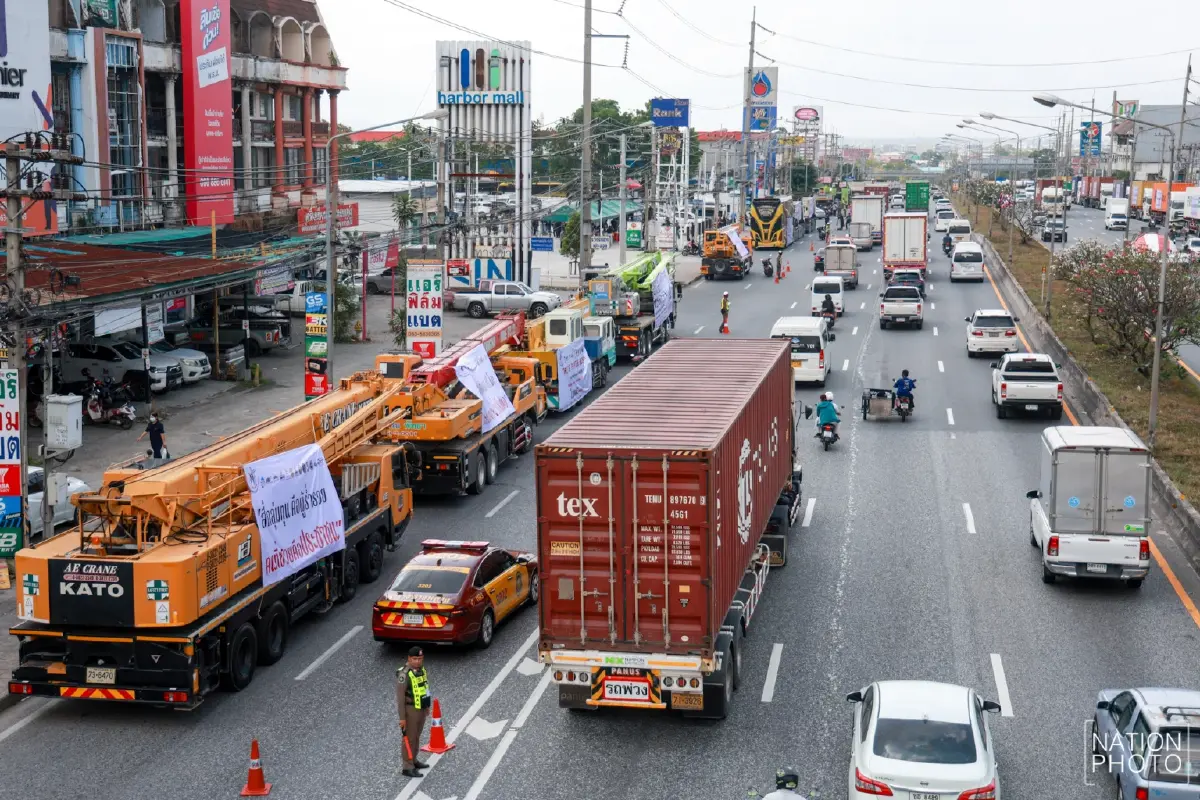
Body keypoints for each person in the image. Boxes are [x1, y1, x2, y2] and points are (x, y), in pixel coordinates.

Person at [396, 646, 431, 777]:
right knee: (409, 738)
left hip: (421, 708)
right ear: (409, 658)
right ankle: (407, 766)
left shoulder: (421, 670)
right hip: (410, 710)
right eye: (415, 659)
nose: (417, 661)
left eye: (420, 659)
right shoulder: (404, 675)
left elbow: (425, 687)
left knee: (416, 736)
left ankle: (414, 760)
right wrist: (402, 717)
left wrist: (427, 705)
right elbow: (400, 698)